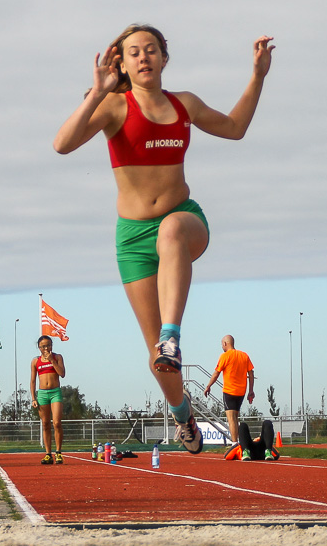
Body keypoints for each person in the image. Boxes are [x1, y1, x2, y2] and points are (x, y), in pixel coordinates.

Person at [54, 25, 274, 454]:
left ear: (164, 58)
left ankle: (172, 335)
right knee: (157, 359)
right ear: (123, 62)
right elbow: (62, 145)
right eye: (133, 52)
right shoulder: (114, 107)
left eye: (151, 50)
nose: (143, 57)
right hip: (133, 237)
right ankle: (181, 413)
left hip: (183, 220)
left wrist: (258, 77)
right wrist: (98, 93)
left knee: (171, 231)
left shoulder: (183, 104)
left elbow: (234, 127)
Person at [203, 335, 255, 442]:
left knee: (231, 419)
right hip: (241, 392)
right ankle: (239, 442)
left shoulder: (225, 356)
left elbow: (216, 373)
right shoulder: (244, 355)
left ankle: (234, 443)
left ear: (225, 343)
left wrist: (208, 386)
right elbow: (251, 373)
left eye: (222, 344)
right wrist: (250, 390)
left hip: (229, 391)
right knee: (235, 418)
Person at [30, 335, 66, 464]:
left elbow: (62, 373)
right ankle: (48, 454)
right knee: (45, 424)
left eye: (48, 345)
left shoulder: (57, 357)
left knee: (56, 422)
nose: (46, 348)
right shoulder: (35, 361)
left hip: (55, 392)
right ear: (39, 347)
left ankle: (58, 452)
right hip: (42, 394)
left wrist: (52, 361)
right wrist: (33, 398)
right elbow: (33, 380)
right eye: (43, 346)